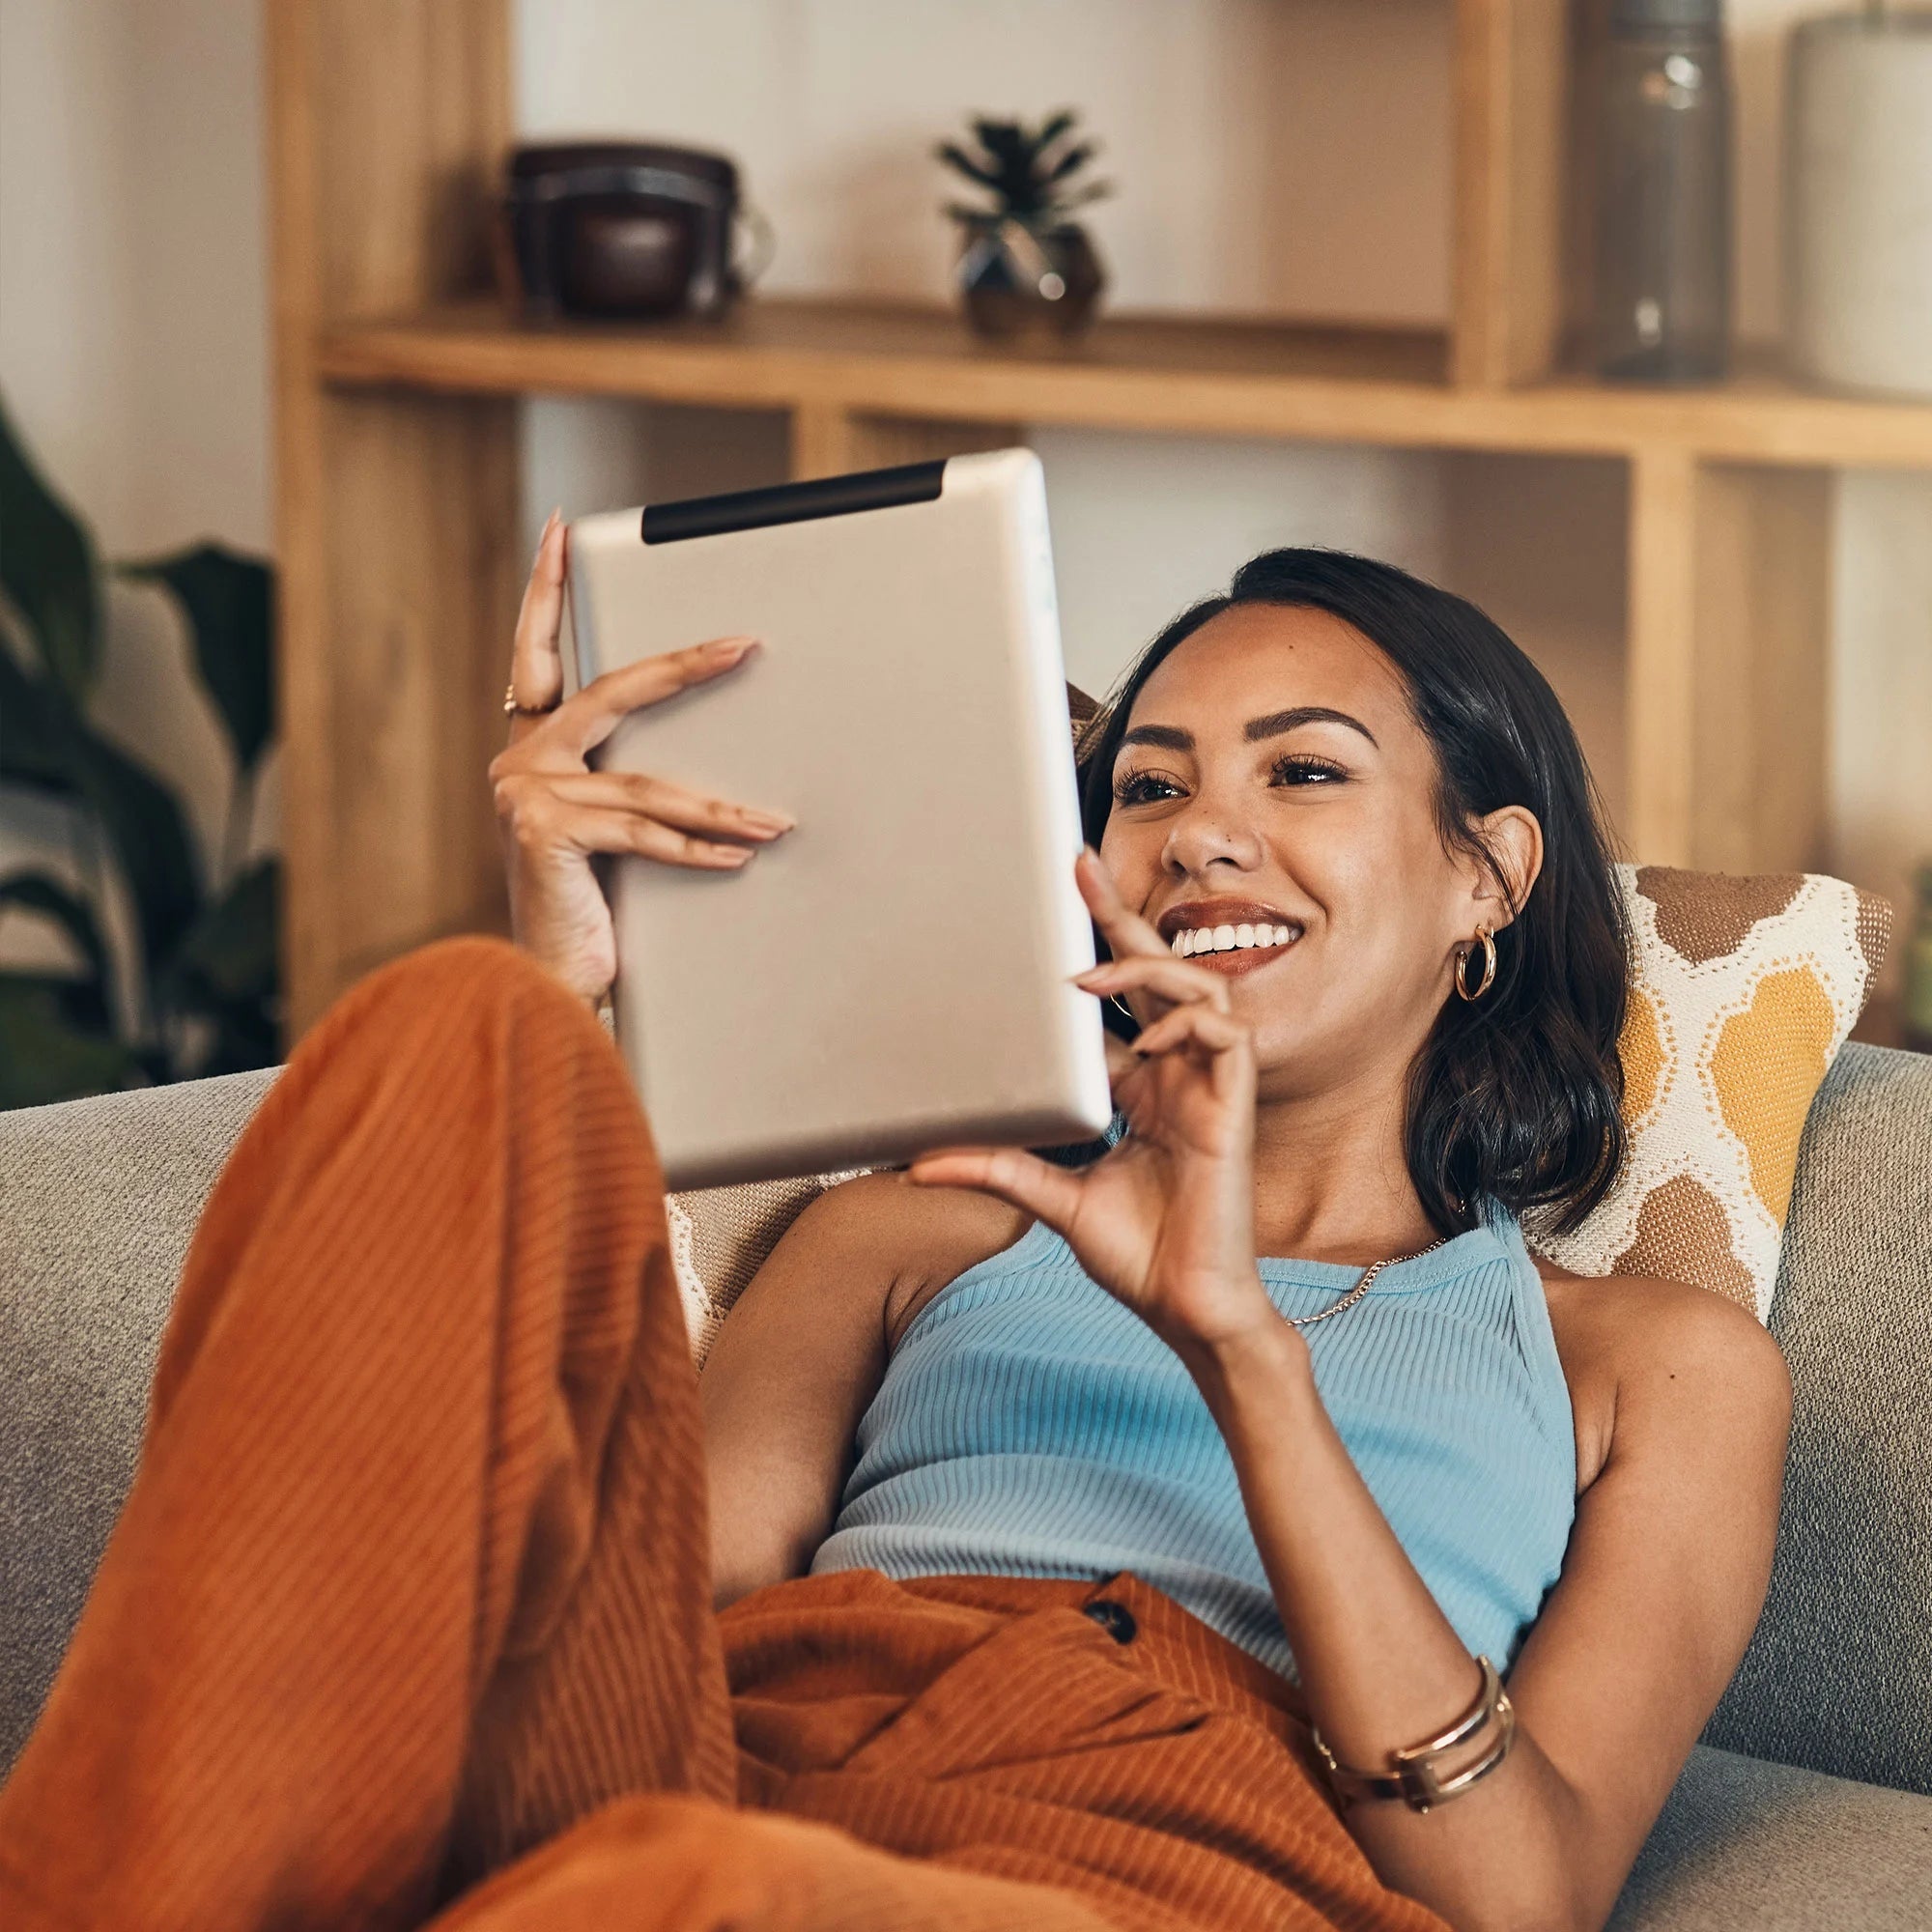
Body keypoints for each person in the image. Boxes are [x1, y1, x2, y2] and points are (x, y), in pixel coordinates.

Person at [0, 518, 1790, 1932]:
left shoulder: (1649, 1367)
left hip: (1161, 1838)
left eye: (1302, 775)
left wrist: (1236, 1339)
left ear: (1487, 874)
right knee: (448, 1026)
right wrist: (576, 989)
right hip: (749, 1749)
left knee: (695, 1896)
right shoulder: (919, 1230)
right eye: (1150, 786)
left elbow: (1520, 1894)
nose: (1201, 840)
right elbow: (631, 1617)